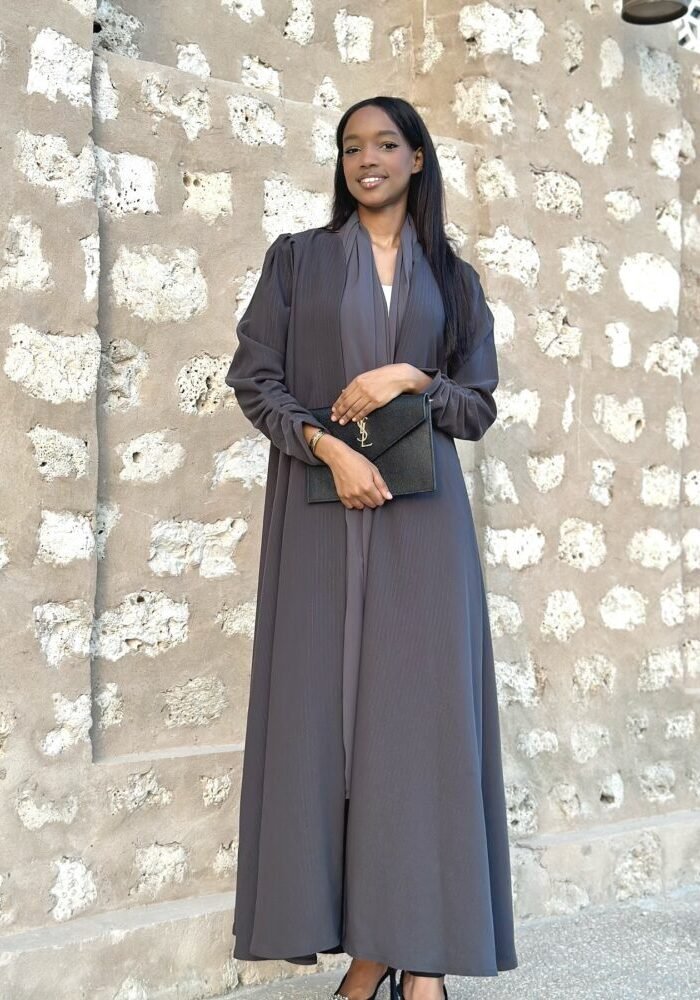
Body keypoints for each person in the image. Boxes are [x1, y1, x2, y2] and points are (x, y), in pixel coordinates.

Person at [224, 95, 518, 1000]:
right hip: (319, 517)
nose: (368, 159)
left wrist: (411, 377)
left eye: (387, 143)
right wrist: (328, 447)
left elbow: (477, 405)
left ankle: (414, 960)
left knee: (419, 729)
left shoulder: (454, 280)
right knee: (324, 728)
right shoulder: (297, 260)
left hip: (423, 525)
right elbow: (255, 378)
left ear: (417, 158)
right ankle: (372, 951)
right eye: (352, 146)